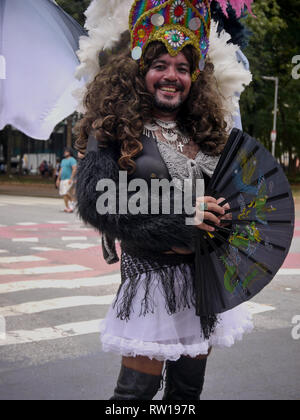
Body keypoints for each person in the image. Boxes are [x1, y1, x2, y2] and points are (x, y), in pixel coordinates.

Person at [75, 0, 254, 400]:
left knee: (186, 394)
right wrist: (180, 222)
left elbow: (237, 202)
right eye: (161, 65)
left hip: (203, 281)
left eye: (183, 68)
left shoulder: (208, 130)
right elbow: (98, 203)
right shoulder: (113, 128)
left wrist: (222, 225)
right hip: (149, 281)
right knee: (135, 395)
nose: (171, 76)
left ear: (195, 76)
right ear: (141, 71)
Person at [56, 147, 77, 213]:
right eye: (65, 151)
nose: (65, 152)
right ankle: (67, 207)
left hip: (68, 179)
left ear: (70, 152)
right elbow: (61, 170)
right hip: (62, 179)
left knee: (66, 192)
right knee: (63, 194)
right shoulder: (63, 160)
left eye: (67, 151)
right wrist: (58, 179)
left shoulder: (72, 159)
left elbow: (74, 169)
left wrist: (71, 178)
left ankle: (73, 202)